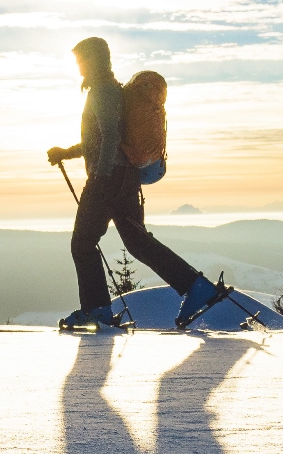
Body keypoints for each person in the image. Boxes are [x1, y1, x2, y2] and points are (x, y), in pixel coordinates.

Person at [46, 37, 220, 330]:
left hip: (109, 178)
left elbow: (110, 137)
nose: (78, 66)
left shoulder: (101, 91)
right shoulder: (112, 90)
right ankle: (196, 287)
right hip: (126, 179)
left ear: (93, 60)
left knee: (83, 243)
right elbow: (99, 140)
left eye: (81, 60)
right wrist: (68, 153)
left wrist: (100, 177)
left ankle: (97, 310)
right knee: (137, 242)